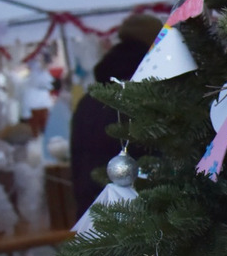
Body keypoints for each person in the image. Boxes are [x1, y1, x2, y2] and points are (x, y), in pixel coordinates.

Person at [69, 14, 162, 215]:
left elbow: (78, 166)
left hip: (93, 214)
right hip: (142, 220)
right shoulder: (150, 97)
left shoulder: (89, 100)